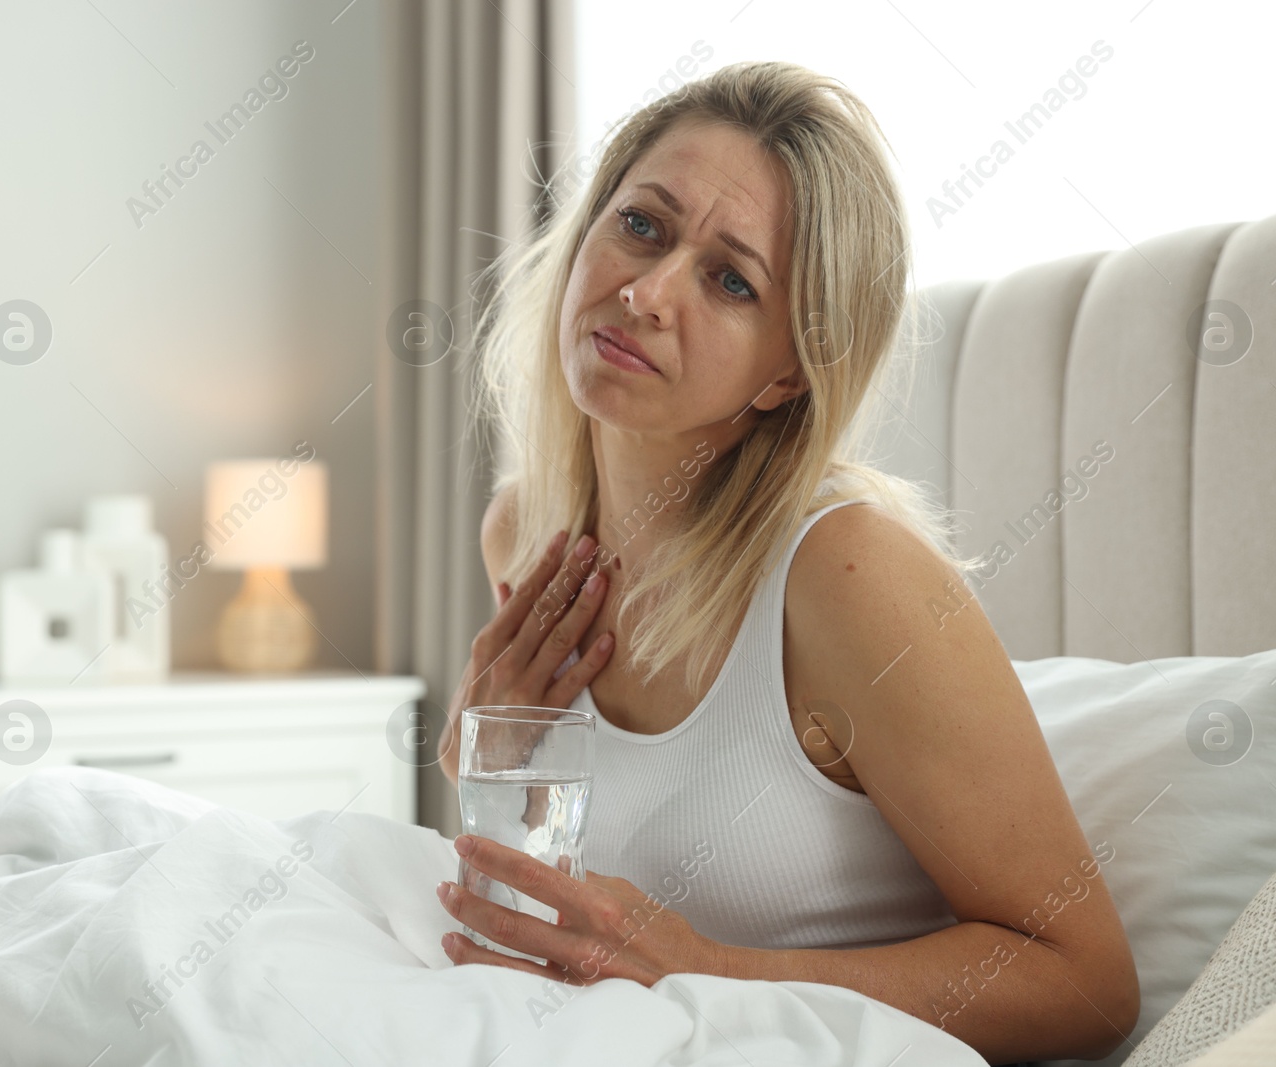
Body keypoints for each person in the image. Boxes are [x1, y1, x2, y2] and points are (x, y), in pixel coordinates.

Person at [433, 59, 1139, 1064]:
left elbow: (1087, 983)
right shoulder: (524, 531)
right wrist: (477, 757)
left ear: (788, 372)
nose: (644, 291)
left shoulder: (845, 576)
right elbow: (549, 904)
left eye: (730, 279)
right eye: (641, 223)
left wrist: (698, 964)